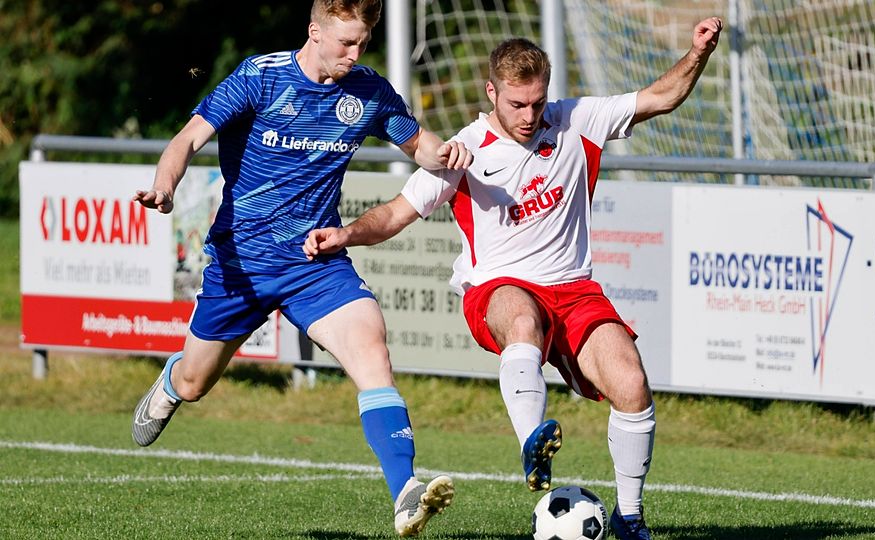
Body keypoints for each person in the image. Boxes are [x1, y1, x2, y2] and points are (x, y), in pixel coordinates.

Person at [303, 19, 722, 540]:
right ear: (491, 92)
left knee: (632, 385)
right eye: (517, 104)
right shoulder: (464, 149)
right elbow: (395, 212)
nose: (529, 116)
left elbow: (662, 96)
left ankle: (630, 517)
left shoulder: (577, 121)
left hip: (574, 291)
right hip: (496, 291)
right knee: (521, 314)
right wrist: (345, 234)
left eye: (538, 103)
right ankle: (532, 445)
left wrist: (698, 51)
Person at [130, 1, 471, 537]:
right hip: (242, 261)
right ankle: (171, 383)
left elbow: (420, 145)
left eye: (363, 43)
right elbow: (186, 139)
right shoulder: (259, 79)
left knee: (371, 348)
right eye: (345, 43)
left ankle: (405, 491)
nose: (354, 54)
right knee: (197, 383)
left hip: (316, 260)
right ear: (315, 32)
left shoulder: (368, 91)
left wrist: (447, 152)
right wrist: (166, 187)